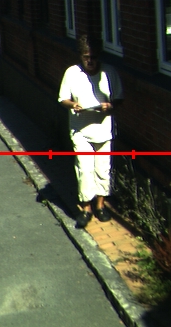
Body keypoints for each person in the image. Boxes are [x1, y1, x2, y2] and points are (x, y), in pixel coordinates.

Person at [58, 34, 123, 228]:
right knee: (85, 169)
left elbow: (119, 98)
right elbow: (62, 98)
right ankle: (86, 208)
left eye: (93, 57)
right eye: (86, 57)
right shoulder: (72, 73)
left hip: (103, 129)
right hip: (80, 130)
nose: (90, 61)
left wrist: (110, 106)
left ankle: (100, 206)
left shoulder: (109, 73)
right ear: (80, 56)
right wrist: (73, 105)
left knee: (102, 169)